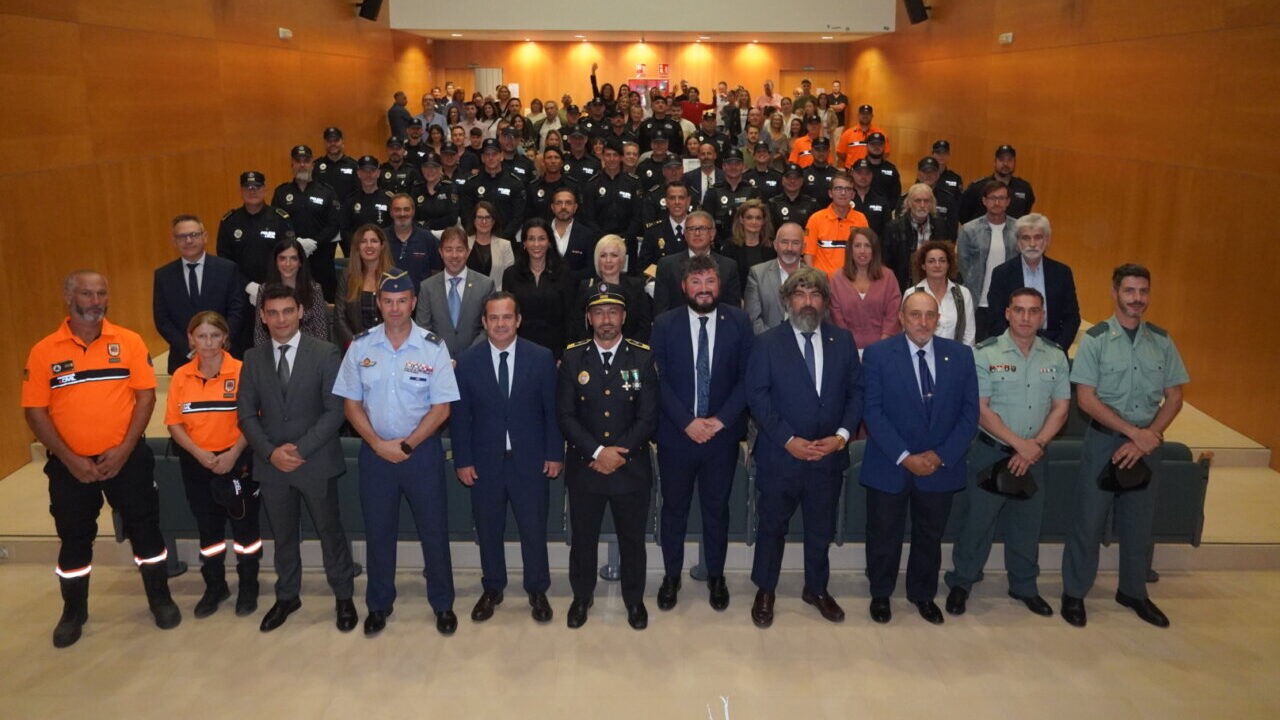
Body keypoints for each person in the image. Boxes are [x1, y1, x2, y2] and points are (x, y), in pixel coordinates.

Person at [23, 271, 180, 647]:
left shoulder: (127, 341)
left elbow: (146, 397)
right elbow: (34, 412)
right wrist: (70, 457)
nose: (95, 301)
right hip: (69, 465)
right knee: (75, 539)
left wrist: (125, 448)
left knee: (146, 531)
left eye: (101, 294)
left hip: (127, 459)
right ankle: (73, 611)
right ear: (68, 296)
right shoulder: (44, 351)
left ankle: (160, 598)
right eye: (86, 293)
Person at [332, 270, 460, 637]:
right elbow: (351, 403)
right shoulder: (361, 346)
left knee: (434, 532)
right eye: (388, 301)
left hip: (420, 453)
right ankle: (378, 604)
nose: (395, 308)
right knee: (378, 533)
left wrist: (406, 445)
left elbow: (442, 409)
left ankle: (442, 603)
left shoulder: (433, 347)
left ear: (413, 303)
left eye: (402, 300)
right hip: (376, 454)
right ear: (379, 304)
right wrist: (376, 443)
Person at [1061, 264, 1189, 628]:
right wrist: (1135, 434)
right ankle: (1074, 592)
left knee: (1139, 522)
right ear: (1115, 292)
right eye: (1130, 291)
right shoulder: (1097, 339)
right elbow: (1085, 398)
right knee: (1088, 519)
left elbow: (1175, 397)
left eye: (1143, 291)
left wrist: (1148, 437)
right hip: (1105, 441)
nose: (1137, 299)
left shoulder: (1162, 341)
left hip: (1148, 445)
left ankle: (1133, 591)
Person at [747, 268, 862, 627]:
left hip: (828, 455)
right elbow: (758, 397)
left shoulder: (842, 340)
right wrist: (788, 440)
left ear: (825, 302)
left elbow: (857, 393)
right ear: (786, 301)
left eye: (815, 295)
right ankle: (765, 590)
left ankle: (817, 588)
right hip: (781, 455)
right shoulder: (766, 342)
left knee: (820, 527)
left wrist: (842, 435)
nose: (807, 302)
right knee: (772, 527)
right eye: (800, 295)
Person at [944, 288, 1070, 618]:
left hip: (1035, 456)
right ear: (1007, 313)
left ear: (1042, 315)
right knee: (977, 524)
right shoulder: (984, 354)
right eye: (1019, 310)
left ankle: (1024, 586)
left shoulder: (1055, 356)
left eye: (1033, 311)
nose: (1026, 317)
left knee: (1028, 525)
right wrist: (1020, 444)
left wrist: (1035, 446)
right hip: (991, 453)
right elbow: (982, 410)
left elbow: (1061, 408)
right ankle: (962, 582)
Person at [238, 283, 357, 633]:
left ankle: (344, 596)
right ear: (262, 316)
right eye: (272, 313)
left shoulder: (325, 353)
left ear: (301, 312)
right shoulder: (252, 358)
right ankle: (287, 595)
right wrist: (272, 452)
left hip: (315, 461)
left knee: (329, 531)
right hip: (272, 465)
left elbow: (335, 411)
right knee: (284, 535)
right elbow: (245, 414)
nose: (280, 319)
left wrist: (299, 450)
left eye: (287, 311)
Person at [860, 291, 979, 625]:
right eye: (915, 314)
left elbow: (970, 415)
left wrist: (941, 456)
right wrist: (904, 456)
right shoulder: (878, 355)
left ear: (938, 319)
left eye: (930, 315)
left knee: (930, 536)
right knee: (884, 534)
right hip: (890, 462)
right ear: (901, 317)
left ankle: (922, 594)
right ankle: (881, 594)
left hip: (939, 466)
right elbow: (873, 411)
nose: (923, 322)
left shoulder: (959, 356)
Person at [452, 292, 563, 624]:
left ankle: (537, 588)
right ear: (484, 322)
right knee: (488, 529)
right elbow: (461, 417)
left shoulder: (541, 358)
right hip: (485, 463)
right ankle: (493, 587)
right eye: (493, 318)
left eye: (506, 317)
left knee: (533, 528)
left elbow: (551, 412)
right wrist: (463, 460)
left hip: (530, 461)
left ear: (518, 320)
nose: (500, 324)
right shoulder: (467, 361)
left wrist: (555, 453)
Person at [651, 255, 753, 613]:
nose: (704, 289)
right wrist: (687, 422)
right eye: (697, 282)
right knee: (674, 509)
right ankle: (670, 576)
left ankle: (717, 576)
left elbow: (747, 378)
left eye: (710, 281)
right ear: (684, 287)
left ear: (719, 285)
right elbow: (657, 379)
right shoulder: (665, 323)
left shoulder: (738, 321)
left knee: (716, 509)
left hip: (721, 437)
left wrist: (720, 420)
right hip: (676, 435)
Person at [558, 289, 658, 630]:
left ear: (623, 317)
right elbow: (566, 415)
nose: (606, 319)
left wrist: (618, 453)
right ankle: (581, 596)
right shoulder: (573, 358)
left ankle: (634, 601)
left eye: (613, 312)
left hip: (630, 468)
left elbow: (648, 417)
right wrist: (598, 452)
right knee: (583, 540)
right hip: (587, 467)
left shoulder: (642, 358)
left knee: (633, 541)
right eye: (599, 313)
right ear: (589, 318)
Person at [165, 311, 261, 619]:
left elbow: (253, 420)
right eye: (202, 336)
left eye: (215, 336)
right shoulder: (181, 376)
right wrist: (199, 454)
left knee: (245, 529)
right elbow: (174, 424)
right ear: (191, 338)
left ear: (225, 338)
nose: (208, 343)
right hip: (197, 463)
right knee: (209, 530)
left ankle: (248, 586)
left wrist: (232, 454)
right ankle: (215, 586)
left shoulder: (242, 371)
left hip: (237, 460)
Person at [155, 214, 247, 371]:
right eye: (182, 236)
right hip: (183, 359)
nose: (188, 241)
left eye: (194, 235)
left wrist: (218, 342)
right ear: (174, 241)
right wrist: (190, 349)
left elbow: (237, 310)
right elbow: (162, 320)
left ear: (204, 237)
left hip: (223, 355)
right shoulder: (163, 275)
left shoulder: (227, 269)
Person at [985, 213, 1082, 350]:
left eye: (1038, 237)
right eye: (1026, 238)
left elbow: (1071, 318)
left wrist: (1058, 347)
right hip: (1011, 347)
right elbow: (996, 318)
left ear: (1047, 240)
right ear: (1018, 242)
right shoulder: (1002, 273)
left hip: (1052, 346)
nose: (1032, 244)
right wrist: (1015, 347)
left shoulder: (1062, 273)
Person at [216, 170, 295, 323]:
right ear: (241, 190)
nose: (252, 191)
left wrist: (271, 286)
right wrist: (247, 285)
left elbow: (288, 255)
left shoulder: (280, 218)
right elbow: (225, 261)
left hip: (275, 289)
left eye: (257, 187)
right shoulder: (229, 222)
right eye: (248, 187)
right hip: (240, 293)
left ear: (265, 188)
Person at [270, 144, 340, 303]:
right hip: (291, 260)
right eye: (298, 161)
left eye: (306, 161)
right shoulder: (281, 192)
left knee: (324, 302)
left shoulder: (326, 191)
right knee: (293, 301)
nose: (302, 164)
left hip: (321, 257)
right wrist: (296, 244)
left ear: (312, 164)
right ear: (292, 165)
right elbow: (277, 223)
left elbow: (334, 224)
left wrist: (315, 242)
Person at [415, 227, 495, 357]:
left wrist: (469, 355)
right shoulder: (427, 287)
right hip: (438, 360)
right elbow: (423, 329)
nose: (454, 255)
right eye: (448, 249)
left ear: (467, 252)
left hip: (476, 359)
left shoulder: (486, 285)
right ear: (440, 252)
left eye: (459, 249)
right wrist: (441, 356)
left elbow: (488, 327)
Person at [502, 218, 576, 359]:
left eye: (542, 239)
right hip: (520, 349)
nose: (536, 244)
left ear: (549, 242)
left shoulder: (563, 272)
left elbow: (570, 317)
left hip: (555, 350)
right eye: (531, 239)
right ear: (524, 243)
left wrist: (565, 355)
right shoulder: (511, 274)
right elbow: (508, 315)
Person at [957, 180, 1020, 342]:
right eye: (992, 198)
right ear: (984, 201)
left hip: (1007, 304)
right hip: (978, 302)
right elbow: (963, 266)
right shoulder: (969, 229)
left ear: (1008, 201)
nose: (997, 202)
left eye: (1001, 198)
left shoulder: (1019, 229)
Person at [828, 227, 903, 355]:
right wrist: (852, 352)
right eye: (857, 246)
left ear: (874, 250)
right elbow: (837, 320)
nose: (862, 251)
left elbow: (892, 317)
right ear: (850, 250)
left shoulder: (888, 277)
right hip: (847, 350)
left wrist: (879, 350)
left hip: (885, 350)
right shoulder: (837, 279)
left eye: (867, 246)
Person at [652, 211, 742, 315]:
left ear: (712, 234)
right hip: (677, 329)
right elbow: (661, 311)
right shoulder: (667, 265)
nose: (697, 233)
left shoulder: (729, 266)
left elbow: (734, 311)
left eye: (702, 228)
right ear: (685, 234)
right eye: (691, 229)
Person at [573, 235, 652, 343]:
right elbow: (578, 325)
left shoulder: (636, 286)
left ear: (622, 259)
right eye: (603, 255)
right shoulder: (587, 286)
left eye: (614, 255)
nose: (608, 260)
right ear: (597, 259)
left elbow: (644, 326)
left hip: (630, 353)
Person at [252, 238, 329, 346]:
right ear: (276, 261)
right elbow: (260, 333)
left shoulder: (314, 289)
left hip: (308, 351)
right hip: (274, 351)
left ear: (300, 262)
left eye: (293, 258)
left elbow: (321, 332)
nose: (288, 264)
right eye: (282, 258)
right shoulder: (264, 290)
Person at [581, 138, 643, 262]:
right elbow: (589, 217)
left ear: (621, 158)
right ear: (603, 157)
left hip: (627, 241)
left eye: (615, 155)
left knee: (628, 278)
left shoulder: (633, 183)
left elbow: (638, 215)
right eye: (608, 155)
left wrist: (626, 236)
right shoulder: (592, 184)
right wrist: (604, 238)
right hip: (600, 241)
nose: (611, 159)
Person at [905, 240, 975, 346]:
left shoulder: (963, 293)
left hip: (955, 356)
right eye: (931, 261)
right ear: (923, 265)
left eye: (942, 261)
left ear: (948, 264)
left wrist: (963, 357)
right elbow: (906, 331)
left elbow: (969, 333)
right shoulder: (911, 294)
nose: (937, 265)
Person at [883, 183, 950, 292]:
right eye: (918, 201)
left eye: (926, 201)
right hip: (902, 286)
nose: (922, 205)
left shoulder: (941, 226)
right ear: (909, 203)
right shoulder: (894, 228)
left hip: (933, 286)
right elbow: (886, 263)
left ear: (932, 203)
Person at [335, 224, 394, 347]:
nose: (369, 246)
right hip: (354, 347)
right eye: (363, 241)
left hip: (389, 346)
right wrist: (355, 344)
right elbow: (339, 317)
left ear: (382, 246)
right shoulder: (347, 277)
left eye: (374, 241)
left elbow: (400, 316)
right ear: (357, 247)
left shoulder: (393, 277)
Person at [458, 138, 527, 241]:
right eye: (487, 154)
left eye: (494, 154)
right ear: (482, 158)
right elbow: (466, 214)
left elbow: (518, 217)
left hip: (506, 240)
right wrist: (478, 236)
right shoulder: (472, 183)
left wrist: (502, 239)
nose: (491, 158)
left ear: (501, 156)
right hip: (478, 239)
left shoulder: (514, 183)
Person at [803, 171, 869, 276]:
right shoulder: (816, 219)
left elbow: (865, 254)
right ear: (830, 193)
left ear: (853, 194)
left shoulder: (861, 219)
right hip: (823, 285)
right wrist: (815, 282)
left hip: (851, 283)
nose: (843, 193)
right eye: (838, 188)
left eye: (847, 189)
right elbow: (808, 255)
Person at [744, 221, 806, 334]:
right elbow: (753, 320)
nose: (789, 248)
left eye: (795, 243)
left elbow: (821, 318)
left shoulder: (817, 277)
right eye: (784, 242)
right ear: (775, 245)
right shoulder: (757, 274)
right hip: (768, 345)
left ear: (803, 247)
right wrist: (775, 343)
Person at [959, 144, 1036, 223]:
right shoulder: (978, 187)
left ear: (1014, 163)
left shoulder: (1024, 188)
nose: (1005, 164)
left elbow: (1025, 215)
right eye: (1001, 160)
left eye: (1009, 160)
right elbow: (963, 217)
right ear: (994, 162)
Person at [340, 155, 396, 254]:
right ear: (358, 173)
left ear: (378, 173)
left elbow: (394, 227)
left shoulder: (389, 199)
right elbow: (345, 230)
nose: (368, 174)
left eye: (372, 171)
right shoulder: (350, 200)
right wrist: (358, 246)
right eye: (364, 171)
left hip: (384, 252)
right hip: (357, 252)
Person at [700, 148, 760, 241]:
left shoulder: (752, 191)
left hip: (747, 243)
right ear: (723, 166)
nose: (733, 167)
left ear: (743, 166)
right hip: (719, 245)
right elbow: (705, 221)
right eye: (730, 164)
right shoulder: (713, 191)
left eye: (737, 164)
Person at [385, 193, 442, 289]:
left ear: (413, 211)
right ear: (391, 212)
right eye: (397, 210)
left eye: (406, 209)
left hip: (420, 300)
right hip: (388, 299)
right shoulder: (381, 238)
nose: (402, 214)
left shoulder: (427, 238)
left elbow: (436, 270)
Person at [720, 198, 776, 295]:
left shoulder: (771, 247)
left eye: (758, 218)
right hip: (738, 299)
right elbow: (726, 279)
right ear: (741, 220)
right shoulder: (730, 247)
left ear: (763, 221)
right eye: (749, 217)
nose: (754, 222)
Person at [639, 181, 693, 273]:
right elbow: (644, 265)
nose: (677, 202)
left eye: (681, 198)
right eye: (672, 198)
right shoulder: (653, 232)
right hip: (662, 284)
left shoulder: (698, 229)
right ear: (666, 202)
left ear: (688, 201)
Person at [547, 187, 600, 280]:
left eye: (568, 203)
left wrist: (567, 277)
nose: (563, 207)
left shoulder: (587, 235)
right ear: (552, 207)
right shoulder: (542, 231)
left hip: (576, 291)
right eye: (559, 203)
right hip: (544, 290)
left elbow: (591, 270)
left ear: (575, 207)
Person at [466, 201, 516, 290]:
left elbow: (510, 279)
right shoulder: (464, 243)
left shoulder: (505, 246)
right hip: (468, 297)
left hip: (496, 298)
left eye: (488, 217)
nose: (484, 221)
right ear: (474, 220)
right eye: (480, 217)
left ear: (493, 221)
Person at [412, 152, 459, 231]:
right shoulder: (416, 188)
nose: (430, 171)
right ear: (421, 169)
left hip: (444, 233)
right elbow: (411, 215)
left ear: (440, 168)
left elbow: (453, 217)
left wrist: (429, 224)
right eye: (426, 167)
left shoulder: (449, 187)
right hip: (421, 233)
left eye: (434, 167)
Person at [768, 163, 819, 230]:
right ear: (782, 180)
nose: (792, 181)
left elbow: (815, 229)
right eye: (789, 177)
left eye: (796, 178)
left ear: (802, 181)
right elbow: (769, 231)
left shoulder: (812, 204)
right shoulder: (773, 204)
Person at [849, 158, 891, 239]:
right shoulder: (844, 199)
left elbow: (887, 232)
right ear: (852, 173)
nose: (863, 177)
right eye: (859, 173)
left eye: (867, 173)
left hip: (875, 248)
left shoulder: (881, 200)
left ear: (872, 175)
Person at [315, 127, 358, 205]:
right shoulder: (316, 166)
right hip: (323, 214)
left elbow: (358, 192)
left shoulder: (353, 165)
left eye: (336, 140)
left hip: (347, 213)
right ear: (324, 143)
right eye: (329, 141)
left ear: (342, 142)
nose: (333, 144)